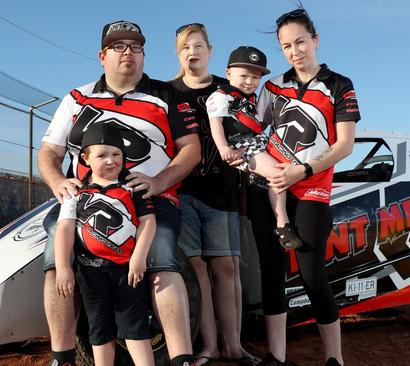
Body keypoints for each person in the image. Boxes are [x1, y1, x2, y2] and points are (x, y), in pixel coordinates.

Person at [38, 20, 201, 366]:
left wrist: (160, 181)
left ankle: (181, 358)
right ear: (102, 55)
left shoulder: (169, 95)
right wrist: (57, 183)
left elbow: (191, 150)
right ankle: (62, 357)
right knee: (57, 259)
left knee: (161, 260)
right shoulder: (77, 97)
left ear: (143, 55)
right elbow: (48, 153)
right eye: (119, 46)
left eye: (136, 46)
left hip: (150, 199)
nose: (128, 52)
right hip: (85, 203)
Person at [251, 8, 361, 366]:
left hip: (312, 188)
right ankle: (276, 356)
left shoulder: (339, 85)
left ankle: (334, 358)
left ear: (315, 40)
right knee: (272, 271)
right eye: (286, 46)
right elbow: (253, 127)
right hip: (271, 186)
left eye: (300, 41)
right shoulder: (273, 86)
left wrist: (303, 170)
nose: (294, 51)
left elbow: (344, 145)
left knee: (312, 274)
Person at [169, 24, 256, 366]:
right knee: (197, 269)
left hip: (223, 192)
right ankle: (208, 346)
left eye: (199, 45)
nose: (193, 51)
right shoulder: (169, 92)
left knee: (227, 268)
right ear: (179, 54)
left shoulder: (229, 89)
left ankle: (233, 345)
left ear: (210, 50)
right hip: (184, 191)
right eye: (186, 47)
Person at [55, 124, 156, 366]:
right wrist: (63, 267)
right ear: (85, 158)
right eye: (102, 155)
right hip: (89, 271)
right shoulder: (75, 192)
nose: (110, 161)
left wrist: (138, 258)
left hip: (127, 271)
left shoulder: (133, 186)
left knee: (135, 328)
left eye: (116, 155)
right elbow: (65, 229)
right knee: (99, 330)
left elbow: (148, 222)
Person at [206, 46, 302, 250]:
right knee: (278, 173)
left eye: (255, 78)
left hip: (258, 142)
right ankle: (283, 225)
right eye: (244, 76)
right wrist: (224, 148)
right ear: (228, 73)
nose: (250, 82)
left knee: (285, 168)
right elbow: (215, 124)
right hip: (240, 144)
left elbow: (259, 124)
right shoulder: (220, 96)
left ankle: (281, 214)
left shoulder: (250, 99)